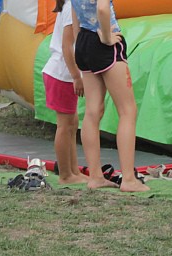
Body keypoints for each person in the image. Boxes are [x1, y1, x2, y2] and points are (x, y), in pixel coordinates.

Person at [71, 0, 148, 191]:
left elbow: (74, 13)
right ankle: (129, 179)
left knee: (92, 111)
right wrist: (106, 37)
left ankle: (96, 176)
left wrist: (79, 42)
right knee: (128, 110)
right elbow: (103, 8)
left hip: (83, 40)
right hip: (102, 40)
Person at [43, 0, 86, 186]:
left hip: (64, 74)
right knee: (64, 125)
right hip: (62, 74)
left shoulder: (72, 6)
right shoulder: (71, 7)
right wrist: (76, 76)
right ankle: (65, 174)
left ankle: (74, 170)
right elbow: (66, 46)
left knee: (72, 123)